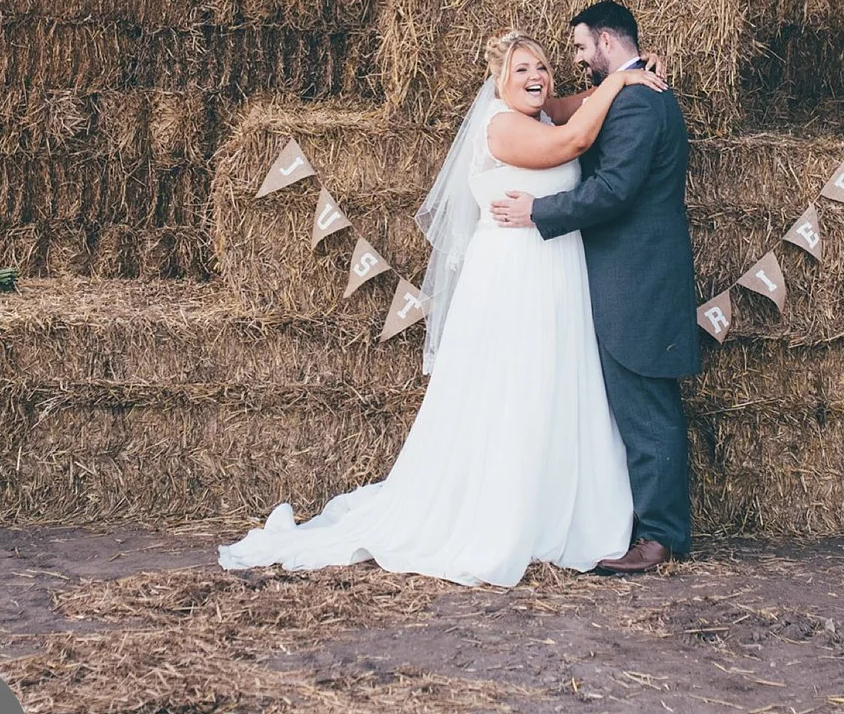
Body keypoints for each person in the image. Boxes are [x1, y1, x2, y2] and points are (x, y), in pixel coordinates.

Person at [219, 32, 658, 585]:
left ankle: (558, 509)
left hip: (555, 274)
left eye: (544, 67)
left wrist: (634, 73)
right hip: (513, 278)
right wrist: (619, 79)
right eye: (523, 68)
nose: (537, 75)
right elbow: (572, 142)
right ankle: (506, 515)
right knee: (514, 389)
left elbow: (574, 109)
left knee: (554, 384)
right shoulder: (502, 126)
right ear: (499, 80)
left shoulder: (542, 113)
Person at [491, 0, 699, 574]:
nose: (577, 60)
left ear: (607, 42)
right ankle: (648, 527)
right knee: (635, 406)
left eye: (582, 48)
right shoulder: (631, 90)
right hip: (626, 276)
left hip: (639, 278)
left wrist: (539, 211)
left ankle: (661, 538)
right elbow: (561, 111)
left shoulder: (637, 101)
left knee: (647, 408)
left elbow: (613, 191)